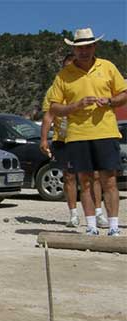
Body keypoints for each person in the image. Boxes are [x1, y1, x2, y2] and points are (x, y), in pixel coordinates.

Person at [47, 28, 127, 236]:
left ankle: (113, 227)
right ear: (74, 49)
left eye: (87, 46)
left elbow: (124, 94)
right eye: (79, 47)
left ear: (94, 47)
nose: (83, 51)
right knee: (85, 181)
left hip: (105, 131)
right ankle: (91, 226)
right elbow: (54, 107)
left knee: (109, 180)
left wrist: (110, 101)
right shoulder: (64, 75)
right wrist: (76, 106)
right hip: (77, 135)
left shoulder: (108, 67)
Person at [40, 53, 109, 228]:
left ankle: (98, 213)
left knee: (93, 175)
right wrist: (43, 139)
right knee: (70, 177)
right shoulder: (54, 90)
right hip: (63, 139)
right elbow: (48, 116)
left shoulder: (87, 83)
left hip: (85, 136)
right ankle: (73, 214)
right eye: (68, 66)